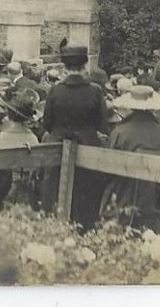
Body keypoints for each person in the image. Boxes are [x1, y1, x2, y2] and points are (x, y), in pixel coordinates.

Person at [41, 44, 109, 228]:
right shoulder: (95, 91)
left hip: (58, 147)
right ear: (85, 67)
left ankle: (55, 227)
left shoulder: (55, 90)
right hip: (88, 147)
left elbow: (47, 123)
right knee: (87, 196)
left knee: (55, 192)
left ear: (64, 67)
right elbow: (102, 124)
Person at [98, 84, 160, 231]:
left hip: (123, 194)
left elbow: (108, 169)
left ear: (131, 106)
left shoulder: (119, 133)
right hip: (155, 198)